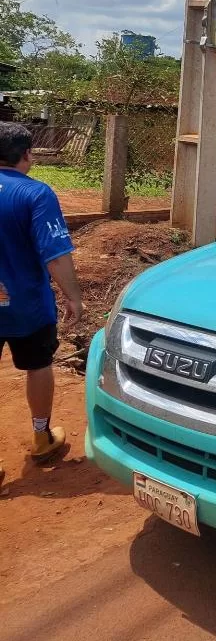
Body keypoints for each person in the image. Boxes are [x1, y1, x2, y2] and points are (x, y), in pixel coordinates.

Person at [0, 122, 82, 481]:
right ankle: (41, 435)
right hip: (26, 305)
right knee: (37, 365)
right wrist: (74, 298)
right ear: (27, 154)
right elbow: (57, 256)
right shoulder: (36, 194)